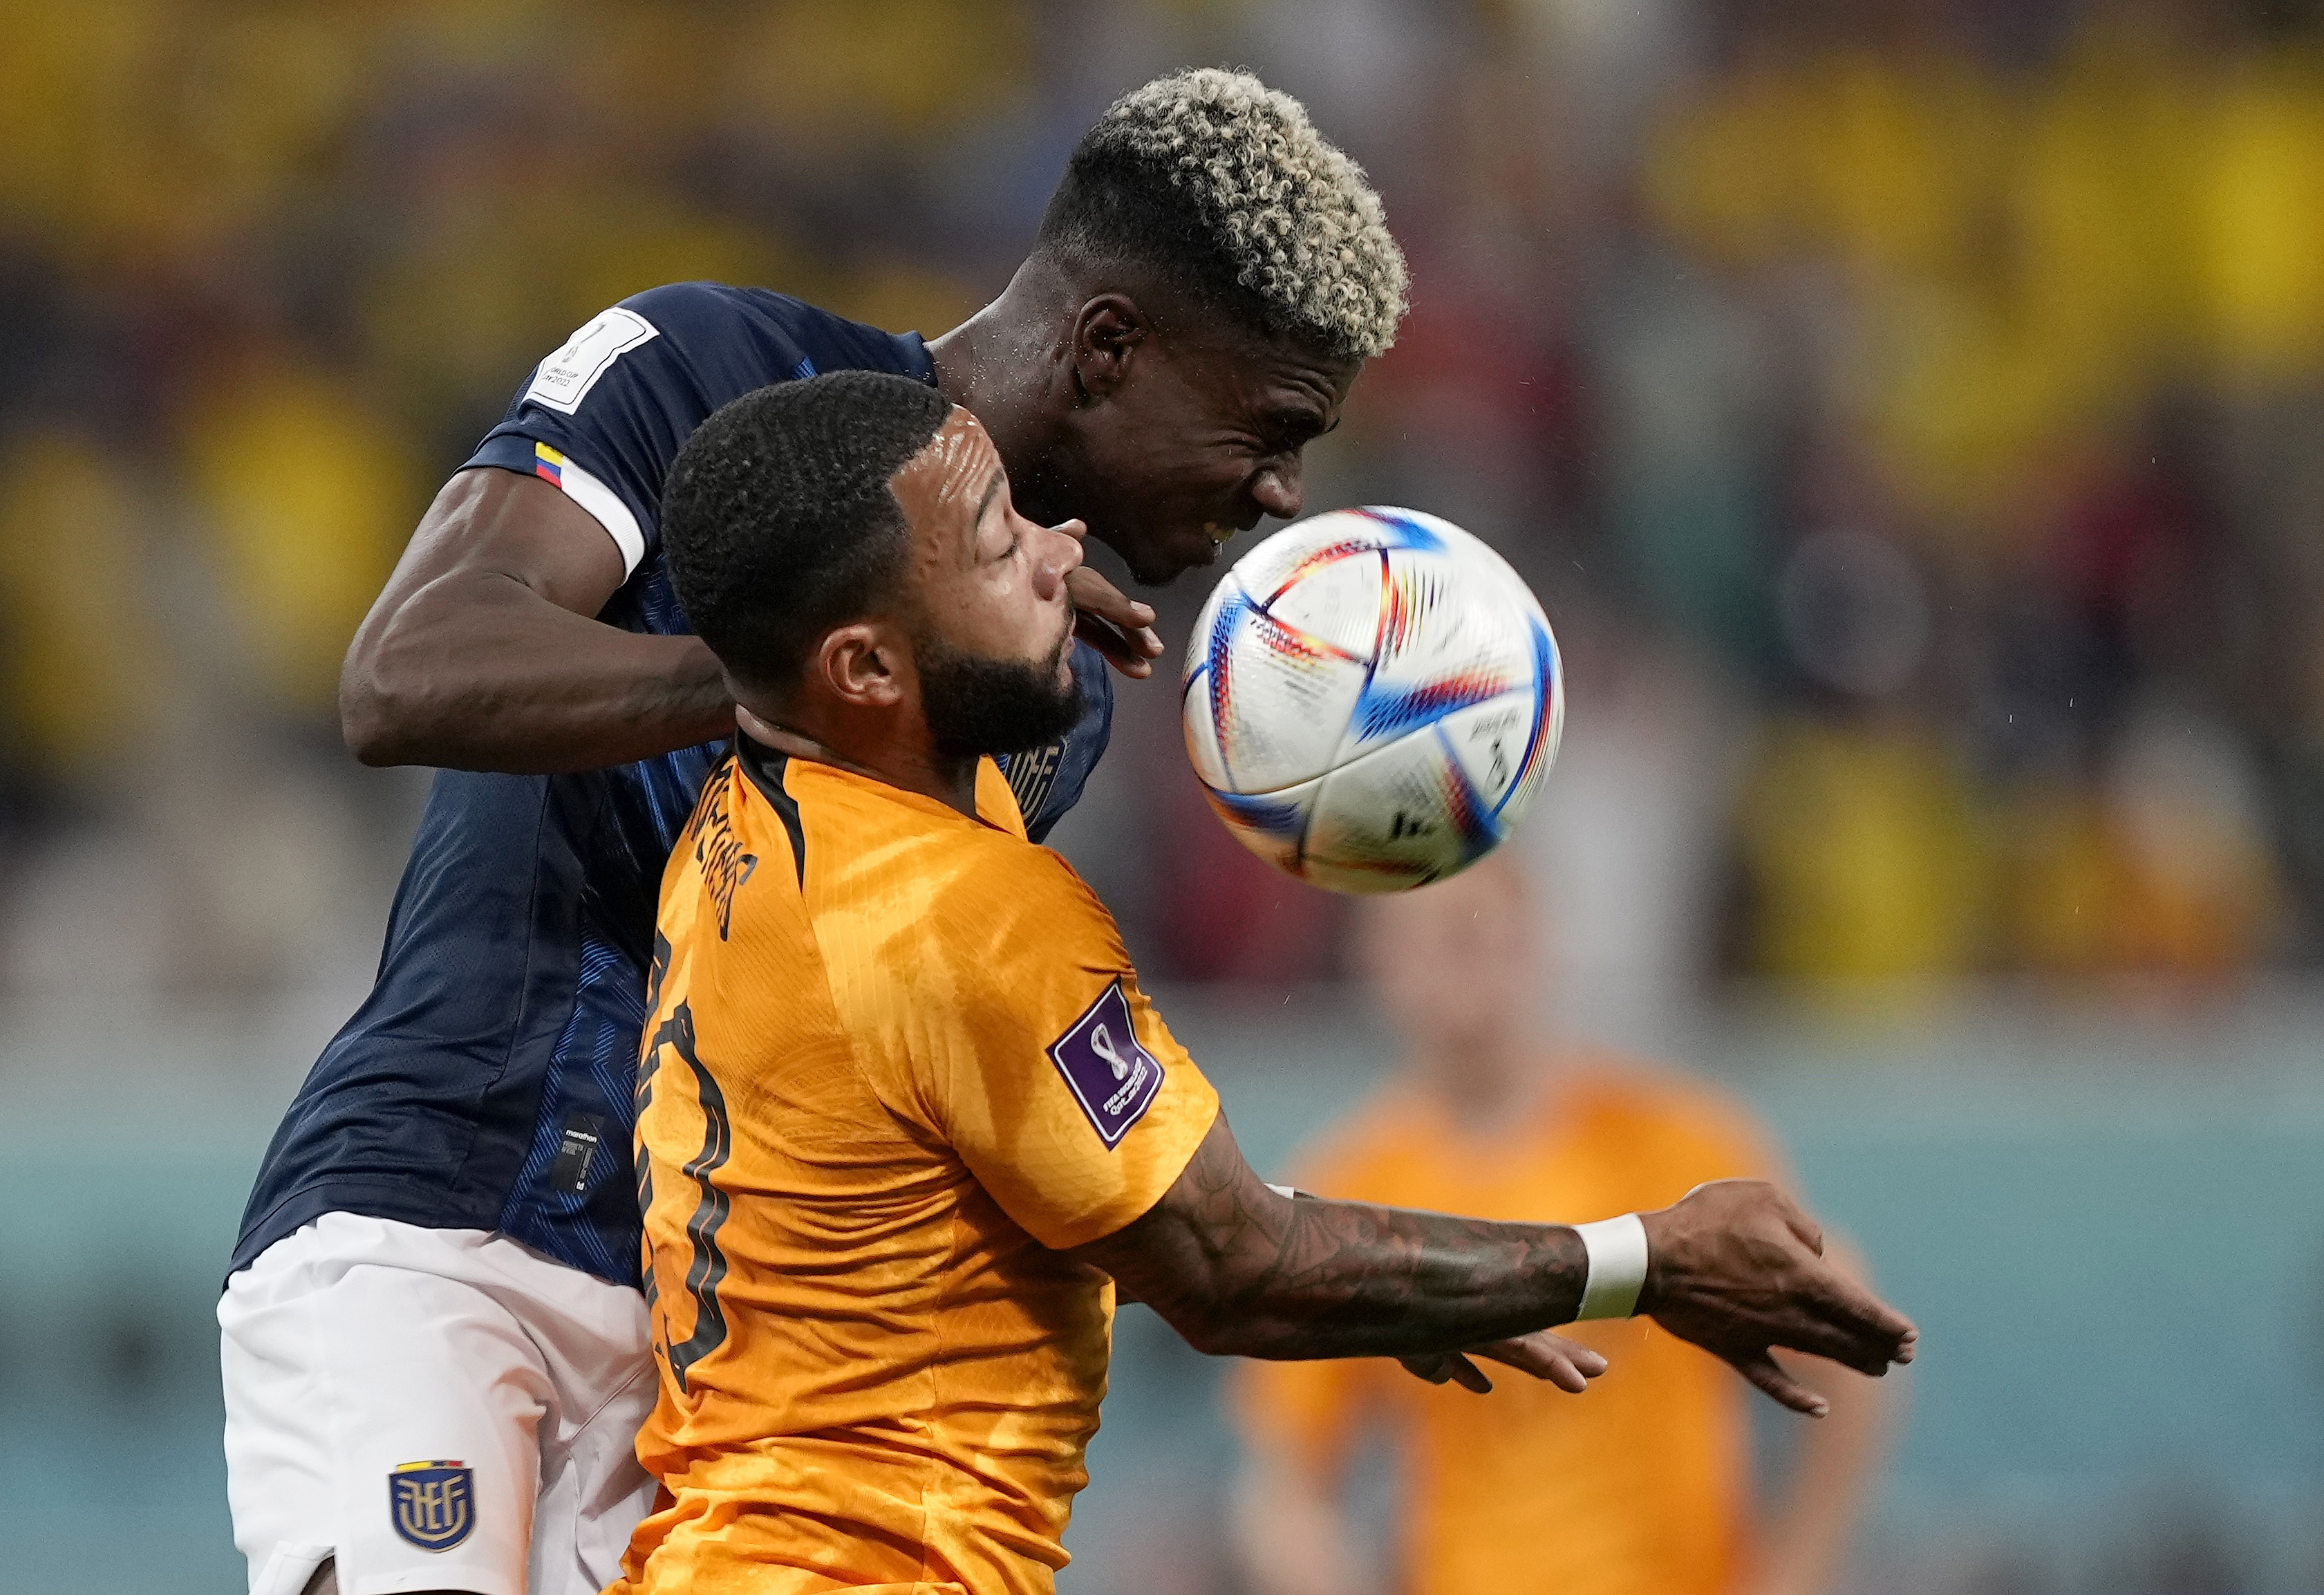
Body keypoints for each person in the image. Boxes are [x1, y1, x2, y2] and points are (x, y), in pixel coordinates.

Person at [219, 70, 1412, 1595]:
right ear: (1110, 347)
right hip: (442, 1214)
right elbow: (409, 668)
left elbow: (937, 1046)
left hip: (714, 1373)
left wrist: (1274, 1240)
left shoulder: (1054, 699)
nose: (1279, 488)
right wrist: (804, 652)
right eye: (1264, 426)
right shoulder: (705, 363)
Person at [621, 367, 1915, 1594]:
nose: (1066, 553)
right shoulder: (967, 917)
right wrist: (1647, 1258)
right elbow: (1227, 1265)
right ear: (864, 669)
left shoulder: (747, 826)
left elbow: (1085, 1211)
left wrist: (1382, 1274)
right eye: (998, 544)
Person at [1230, 857, 1900, 1595]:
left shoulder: (1677, 1149)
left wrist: (1787, 1579)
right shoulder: (1350, 1189)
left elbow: (1846, 1346)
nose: (1453, 966)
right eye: (1421, 938)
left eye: (1471, 933)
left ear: (1535, 941)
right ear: (1373, 963)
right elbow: (1286, 1483)